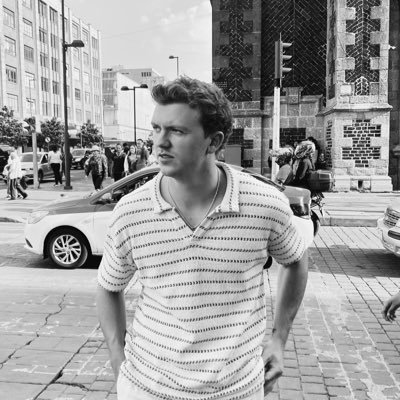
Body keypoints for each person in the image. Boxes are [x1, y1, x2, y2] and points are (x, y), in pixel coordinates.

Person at [96, 77, 308, 400]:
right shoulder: (131, 211)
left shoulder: (264, 204)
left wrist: (279, 339)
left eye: (176, 131)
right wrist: (117, 359)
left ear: (214, 141)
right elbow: (109, 285)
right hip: (147, 388)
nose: (159, 143)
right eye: (156, 128)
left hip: (237, 391)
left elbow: (296, 260)